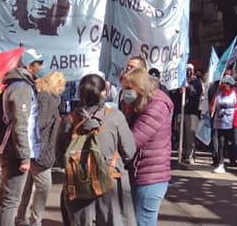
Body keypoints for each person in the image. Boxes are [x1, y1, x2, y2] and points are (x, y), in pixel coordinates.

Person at [58, 74, 136, 226]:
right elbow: (129, 152)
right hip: (112, 182)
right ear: (104, 93)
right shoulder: (115, 117)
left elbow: (60, 159)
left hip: (78, 187)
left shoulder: (69, 120)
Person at [0, 49, 44, 226]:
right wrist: (24, 156)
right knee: (11, 201)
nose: (40, 68)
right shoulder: (22, 88)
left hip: (11, 147)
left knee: (5, 198)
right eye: (38, 64)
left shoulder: (15, 85)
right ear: (29, 65)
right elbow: (20, 124)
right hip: (15, 150)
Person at [121, 67, 173, 226]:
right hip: (143, 172)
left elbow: (133, 141)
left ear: (140, 87)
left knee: (143, 221)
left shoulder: (155, 106)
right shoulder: (143, 105)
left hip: (151, 176)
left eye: (129, 89)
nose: (125, 93)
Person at [16, 71, 65, 226]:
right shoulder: (49, 99)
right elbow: (40, 124)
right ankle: (35, 221)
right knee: (44, 187)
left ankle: (21, 218)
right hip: (40, 151)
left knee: (27, 186)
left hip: (35, 150)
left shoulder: (42, 96)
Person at [210, 76, 237, 174]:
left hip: (234, 122)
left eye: (226, 83)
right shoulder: (218, 93)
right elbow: (213, 104)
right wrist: (212, 110)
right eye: (223, 83)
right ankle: (221, 164)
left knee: (236, 143)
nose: (224, 85)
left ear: (231, 85)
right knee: (221, 143)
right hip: (221, 121)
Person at [179, 64, 203, 165]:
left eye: (190, 70)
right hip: (181, 111)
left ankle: (190, 154)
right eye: (187, 70)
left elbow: (196, 93)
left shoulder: (197, 82)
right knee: (181, 135)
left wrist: (188, 87)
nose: (189, 71)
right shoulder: (181, 81)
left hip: (191, 112)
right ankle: (183, 154)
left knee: (190, 135)